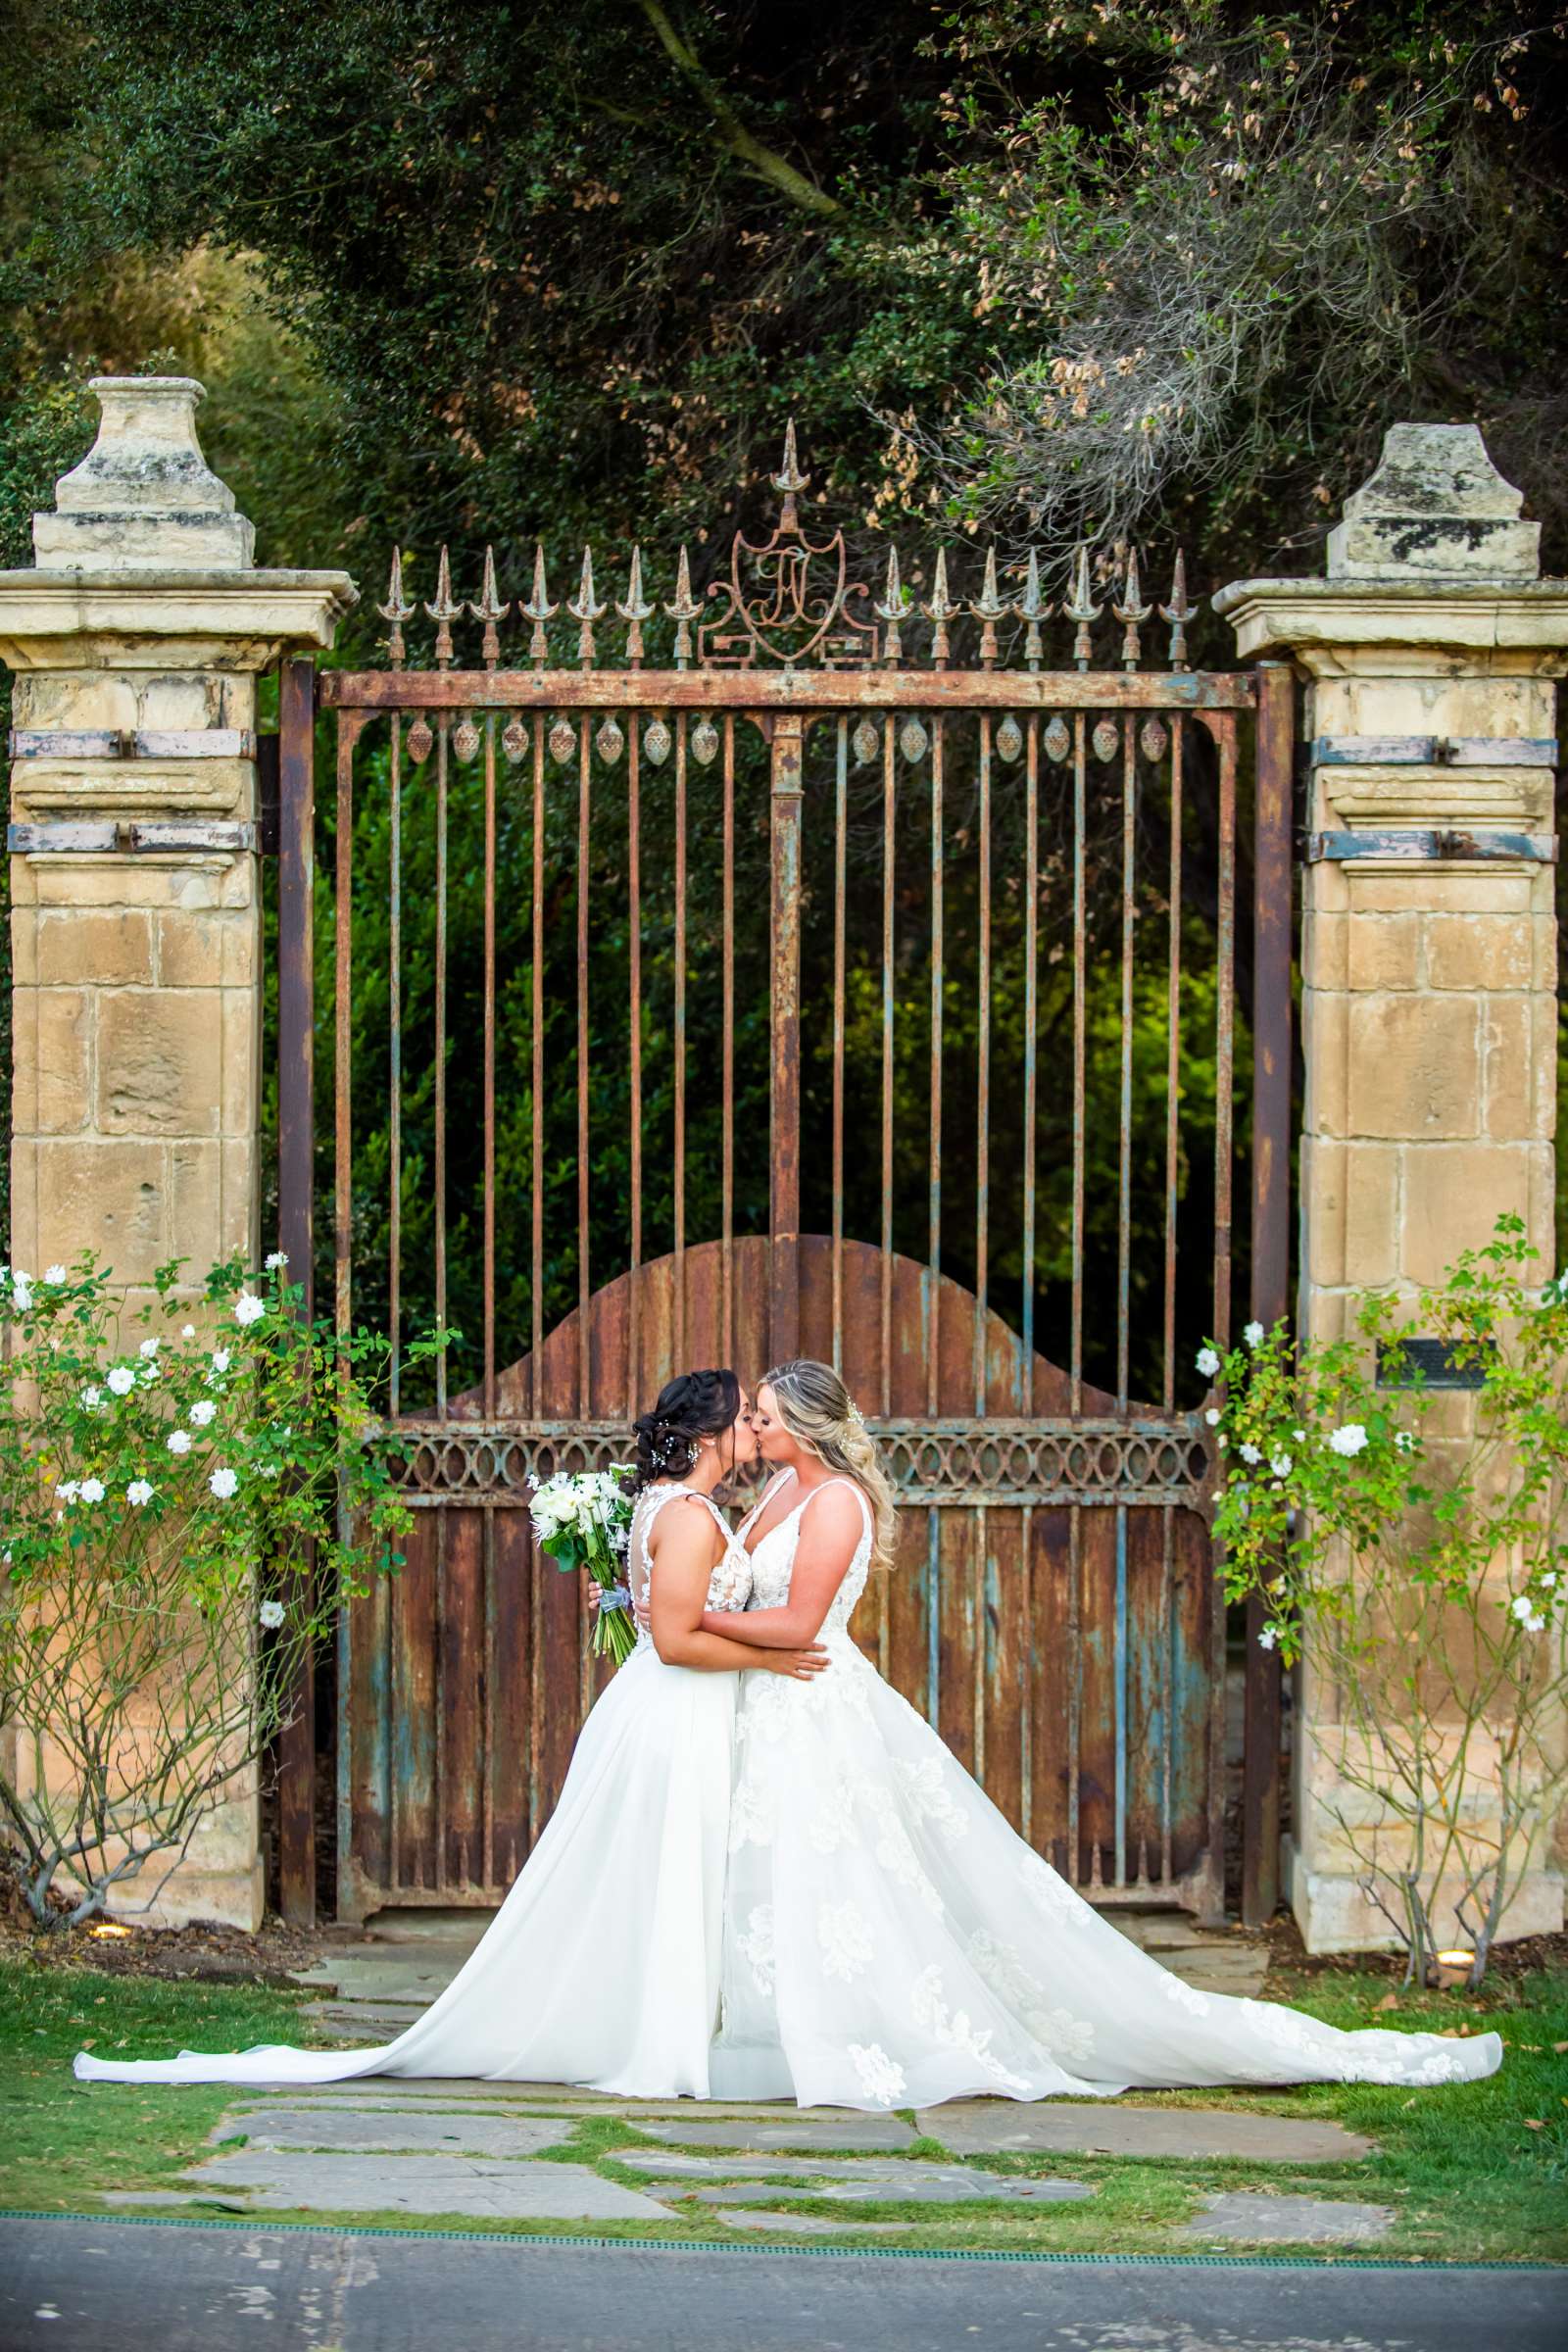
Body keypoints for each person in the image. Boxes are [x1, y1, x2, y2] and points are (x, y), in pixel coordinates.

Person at [703, 1357, 1503, 2110]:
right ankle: (777, 2025)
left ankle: (862, 2028)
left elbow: (802, 1621)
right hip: (768, 1699)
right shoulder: (775, 1491)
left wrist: (690, 1621)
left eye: (766, 1419)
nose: (754, 1429)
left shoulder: (837, 1500)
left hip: (812, 1699)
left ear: (805, 1430)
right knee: (782, 1865)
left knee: (843, 1865)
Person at [73, 1370, 829, 2094]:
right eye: (739, 1419)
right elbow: (672, 1640)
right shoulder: (690, 1517)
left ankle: (663, 2026)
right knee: (670, 1868)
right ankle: (659, 2041)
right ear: (704, 1435)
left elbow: (655, 1613)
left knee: (662, 1870)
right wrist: (774, 1654)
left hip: (667, 1707)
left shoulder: (666, 1504)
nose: (749, 1430)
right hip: (676, 1707)